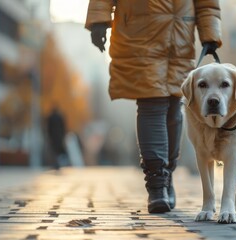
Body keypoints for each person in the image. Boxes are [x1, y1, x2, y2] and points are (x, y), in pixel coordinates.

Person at [85, 0, 222, 213]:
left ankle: (167, 176)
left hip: (179, 37)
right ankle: (157, 183)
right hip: (140, 36)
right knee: (152, 103)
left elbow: (207, 4)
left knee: (174, 106)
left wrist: (210, 32)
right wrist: (98, 20)